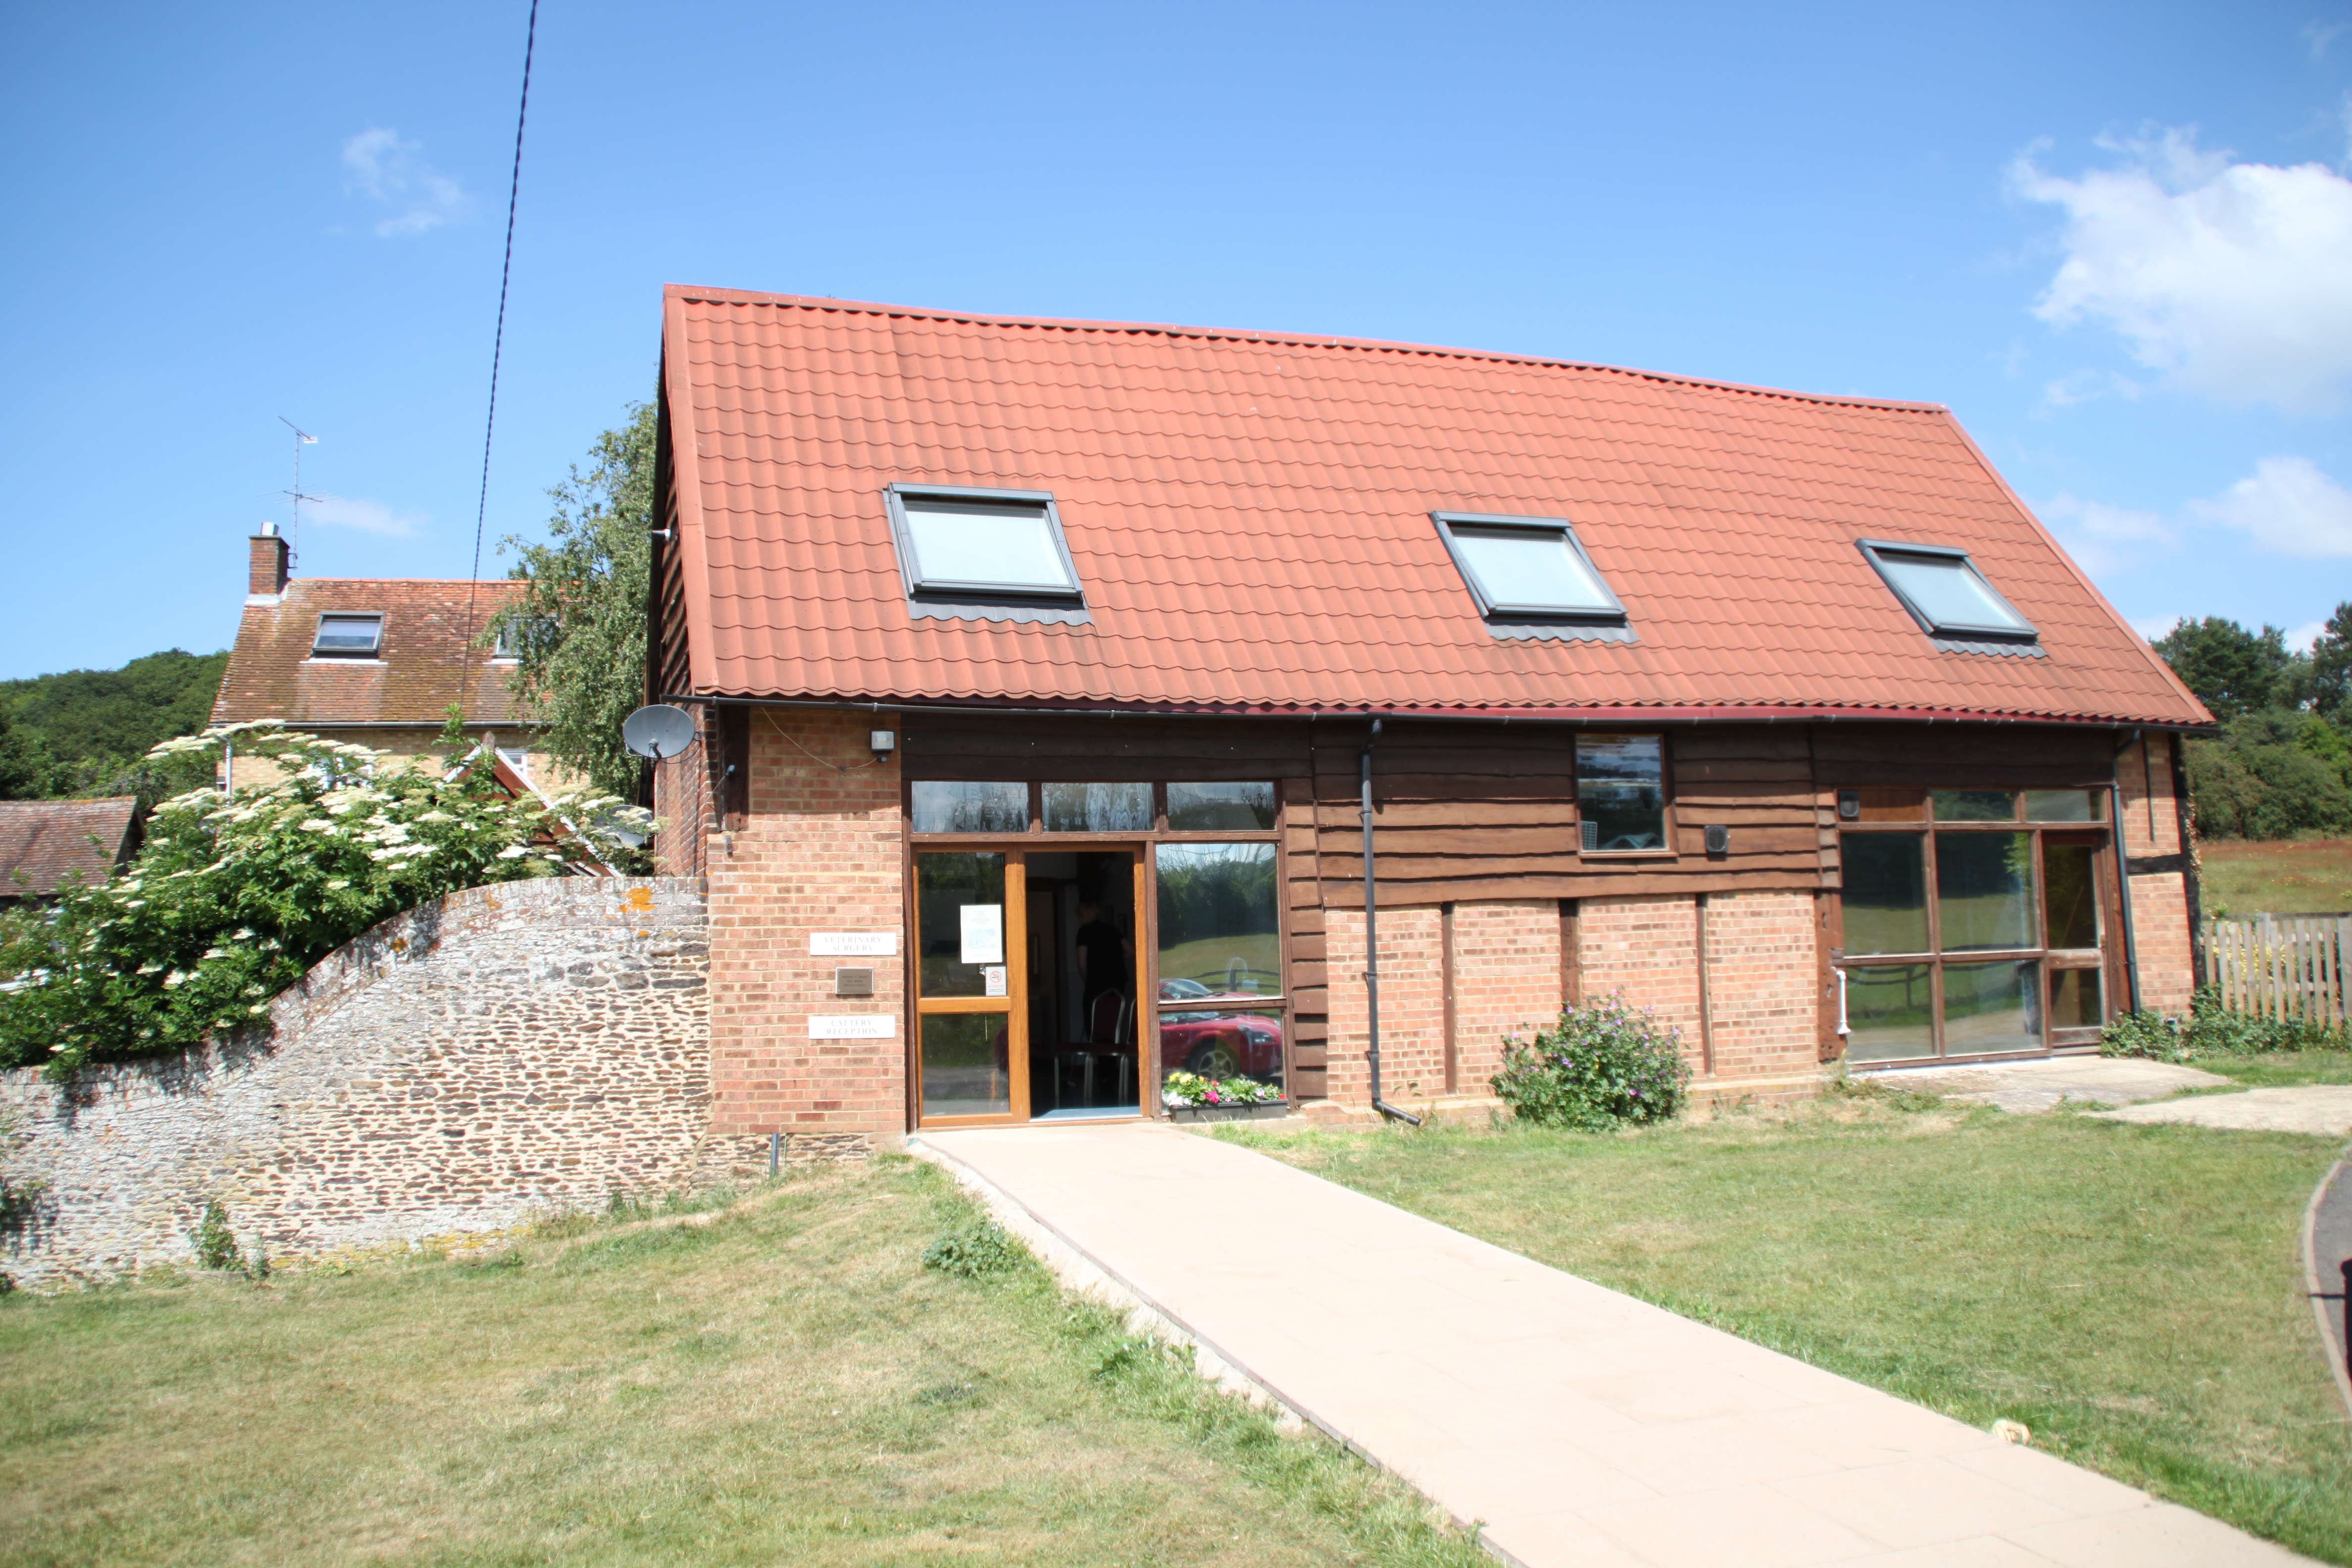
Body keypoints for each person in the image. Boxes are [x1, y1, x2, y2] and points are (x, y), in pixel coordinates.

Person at [1074, 899, 1132, 1039]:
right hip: (1117, 982)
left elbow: (1082, 965)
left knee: (1094, 1023)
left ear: (1083, 916)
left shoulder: (1084, 932)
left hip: (1097, 982)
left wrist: (1087, 980)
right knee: (1112, 1020)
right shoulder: (1112, 929)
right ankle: (1112, 1054)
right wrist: (1113, 961)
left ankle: (1099, 1056)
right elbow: (1130, 951)